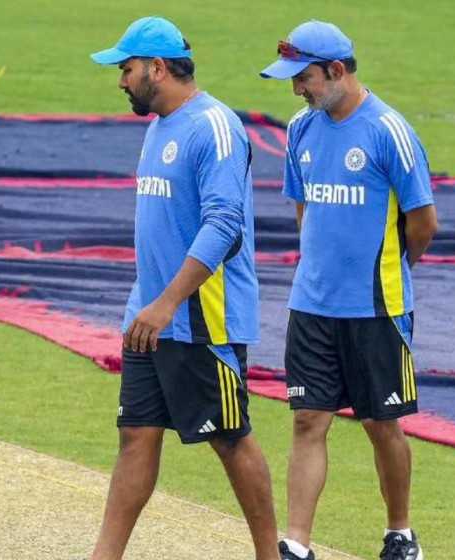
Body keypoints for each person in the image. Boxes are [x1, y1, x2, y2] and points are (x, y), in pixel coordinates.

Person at [88, 17, 280, 560]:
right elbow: (159, 229)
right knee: (137, 434)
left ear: (157, 67)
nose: (121, 81)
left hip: (201, 315)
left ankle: (270, 555)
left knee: (229, 435)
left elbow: (224, 227)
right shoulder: (159, 126)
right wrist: (142, 304)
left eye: (126, 69)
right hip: (150, 314)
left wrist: (168, 301)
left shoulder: (214, 127)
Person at [260, 20, 438, 560]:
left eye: (305, 78)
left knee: (381, 423)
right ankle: (297, 543)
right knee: (308, 419)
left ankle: (401, 533)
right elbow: (302, 207)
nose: (297, 90)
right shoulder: (300, 129)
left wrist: (386, 270)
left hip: (377, 307)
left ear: (336, 71)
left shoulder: (389, 131)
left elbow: (423, 222)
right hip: (311, 305)